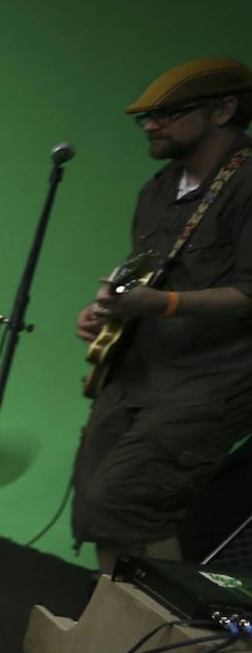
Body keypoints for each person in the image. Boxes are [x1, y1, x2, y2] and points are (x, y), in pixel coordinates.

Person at [73, 56, 252, 572]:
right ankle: (114, 637)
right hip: (136, 371)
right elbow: (147, 274)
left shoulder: (248, 183)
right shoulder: (157, 191)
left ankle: (169, 643)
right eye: (146, 116)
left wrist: (163, 304)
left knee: (125, 499)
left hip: (210, 380)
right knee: (93, 503)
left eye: (170, 113)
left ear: (224, 109)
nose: (151, 124)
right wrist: (105, 311)